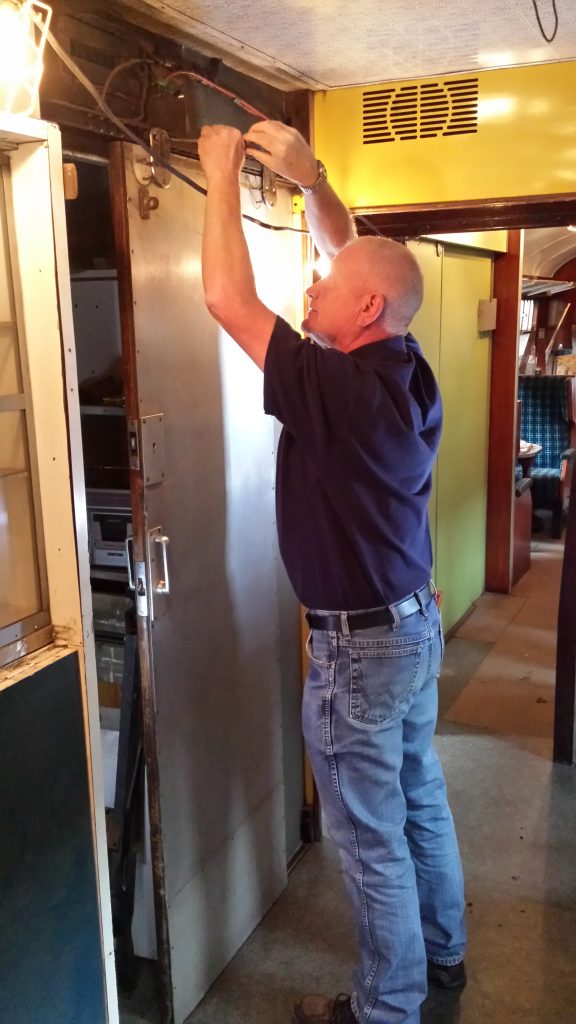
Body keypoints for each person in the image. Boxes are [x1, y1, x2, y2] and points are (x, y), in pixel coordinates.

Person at [198, 120, 466, 1024]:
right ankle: (444, 955)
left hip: (359, 652)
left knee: (368, 837)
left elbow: (229, 300)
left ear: (361, 313)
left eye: (327, 285)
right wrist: (313, 182)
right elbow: (360, 259)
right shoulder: (404, 366)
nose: (316, 278)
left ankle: (385, 1008)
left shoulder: (338, 389)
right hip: (412, 625)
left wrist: (222, 172)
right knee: (418, 794)